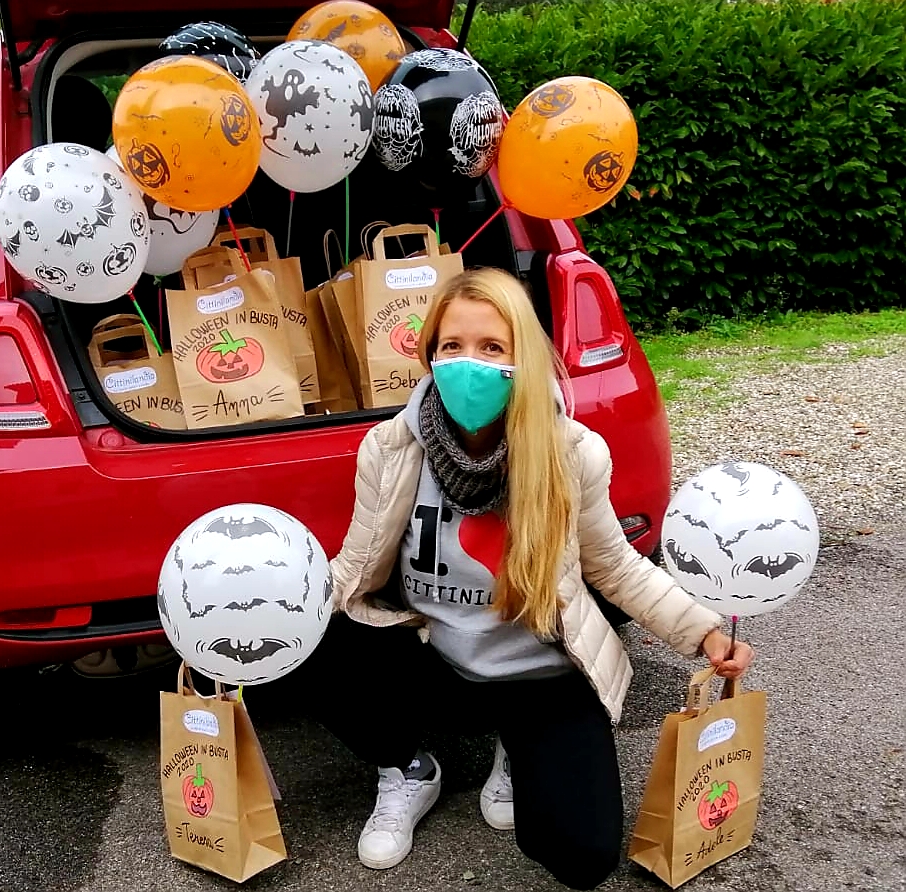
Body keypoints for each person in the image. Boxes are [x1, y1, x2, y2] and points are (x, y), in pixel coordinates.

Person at [318, 267, 754, 889]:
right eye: (452, 346)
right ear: (429, 355)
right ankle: (409, 769)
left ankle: (518, 751)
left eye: (492, 347)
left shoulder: (572, 451)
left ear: (522, 357)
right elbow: (355, 567)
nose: (469, 364)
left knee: (581, 857)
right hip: (438, 661)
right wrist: (268, 623)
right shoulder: (390, 448)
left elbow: (615, 565)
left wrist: (705, 632)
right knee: (321, 644)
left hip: (543, 676)